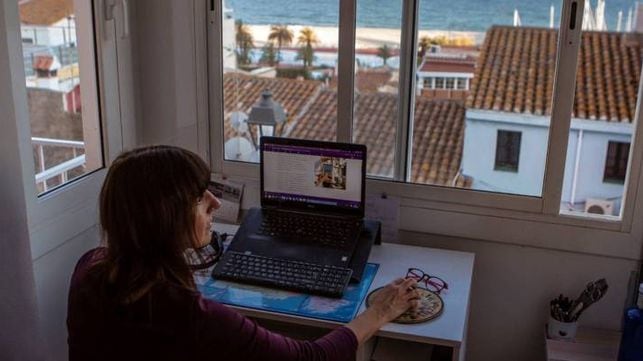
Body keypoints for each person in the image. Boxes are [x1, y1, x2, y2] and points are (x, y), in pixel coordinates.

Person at [67, 145, 419, 361]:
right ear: (164, 217)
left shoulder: (90, 268)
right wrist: (379, 312)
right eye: (199, 197)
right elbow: (310, 357)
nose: (216, 202)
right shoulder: (190, 315)